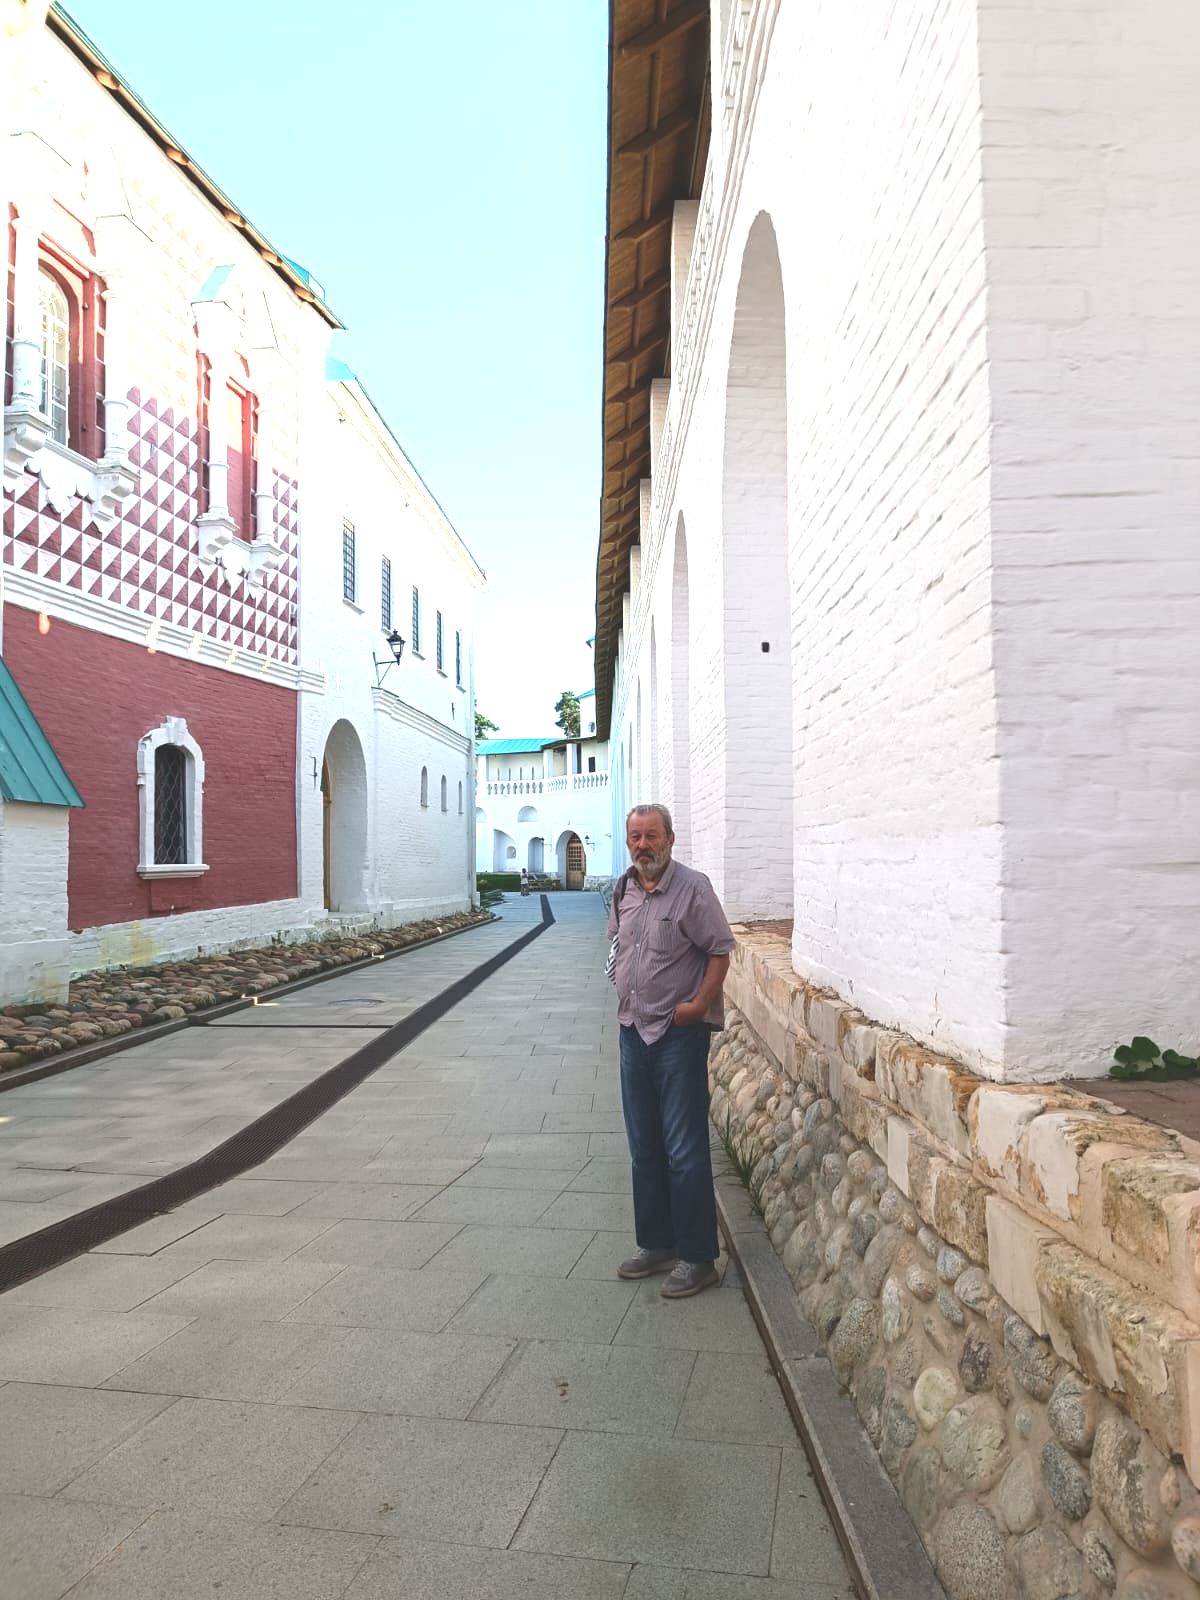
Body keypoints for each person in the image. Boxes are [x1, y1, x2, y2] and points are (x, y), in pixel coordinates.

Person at [608, 803, 735, 1298]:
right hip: (632, 1030)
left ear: (670, 839)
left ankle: (699, 1258)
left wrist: (698, 1005)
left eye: (652, 836)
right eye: (635, 837)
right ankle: (657, 1243)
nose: (643, 846)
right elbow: (619, 945)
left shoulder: (693, 888)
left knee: (684, 1149)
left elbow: (720, 950)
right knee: (644, 1147)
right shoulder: (623, 889)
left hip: (677, 1035)